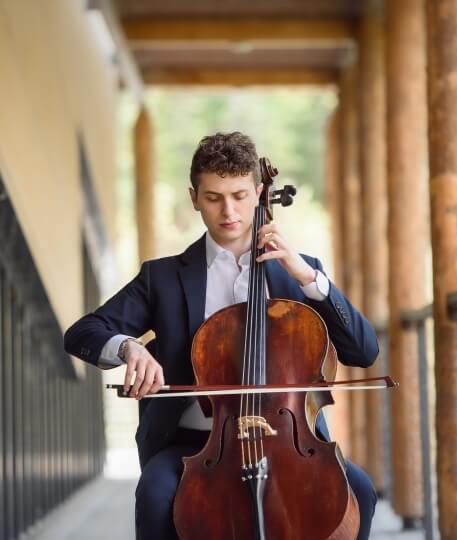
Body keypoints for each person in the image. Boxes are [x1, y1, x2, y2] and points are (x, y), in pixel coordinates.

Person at [64, 131, 379, 539]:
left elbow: (363, 350)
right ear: (194, 197)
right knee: (155, 494)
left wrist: (307, 277)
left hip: (291, 445)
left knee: (361, 491)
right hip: (194, 448)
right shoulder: (162, 277)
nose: (228, 210)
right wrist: (128, 348)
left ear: (260, 192)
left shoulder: (297, 272)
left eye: (239, 195)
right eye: (213, 197)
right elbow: (83, 332)